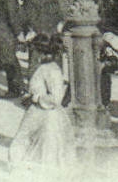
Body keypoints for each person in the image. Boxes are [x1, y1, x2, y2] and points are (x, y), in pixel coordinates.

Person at [9, 38, 71, 168]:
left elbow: (56, 98)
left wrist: (36, 98)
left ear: (41, 53)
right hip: (39, 110)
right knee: (28, 142)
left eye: (34, 52)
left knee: (27, 141)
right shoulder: (46, 68)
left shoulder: (51, 70)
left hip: (44, 113)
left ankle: (19, 169)